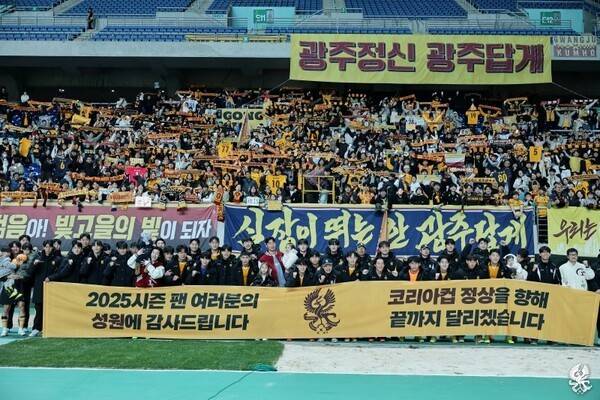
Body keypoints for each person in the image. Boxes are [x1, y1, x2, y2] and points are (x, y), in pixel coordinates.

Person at [31, 241, 61, 337]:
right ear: (43, 247)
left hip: (51, 287)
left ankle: (49, 328)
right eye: (46, 247)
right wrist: (34, 265)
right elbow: (31, 272)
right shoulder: (38, 258)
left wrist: (50, 278)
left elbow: (59, 273)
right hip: (39, 287)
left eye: (50, 247)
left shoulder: (57, 259)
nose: (48, 249)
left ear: (53, 248)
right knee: (38, 309)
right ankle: (36, 328)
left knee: (51, 309)